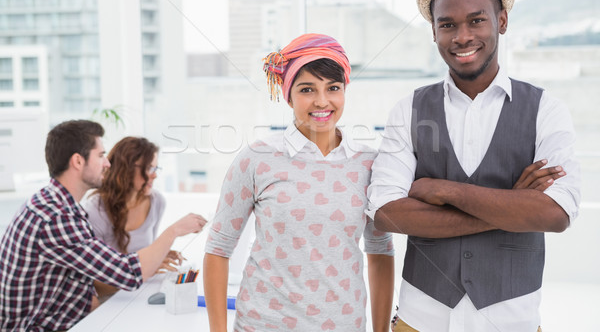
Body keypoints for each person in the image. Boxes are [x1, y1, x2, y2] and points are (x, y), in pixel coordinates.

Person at [367, 0, 581, 332]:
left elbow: (555, 213)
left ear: (501, 21)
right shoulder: (408, 109)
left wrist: (440, 189)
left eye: (476, 20)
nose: (462, 36)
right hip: (421, 317)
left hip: (511, 319)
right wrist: (512, 206)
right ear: (433, 31)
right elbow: (386, 212)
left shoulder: (546, 108)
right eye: (447, 24)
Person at [203, 33, 395, 332]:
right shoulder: (256, 158)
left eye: (333, 88)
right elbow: (218, 249)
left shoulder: (369, 163)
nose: (322, 101)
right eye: (307, 89)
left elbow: (380, 251)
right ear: (288, 95)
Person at [0, 120, 207, 332]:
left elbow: (81, 281)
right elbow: (128, 273)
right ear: (78, 162)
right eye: (100, 156)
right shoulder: (57, 217)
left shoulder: (55, 204)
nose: (108, 164)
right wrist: (174, 231)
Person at [81, 136, 184, 300]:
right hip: (107, 302)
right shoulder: (94, 210)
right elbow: (91, 284)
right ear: (126, 169)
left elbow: (142, 253)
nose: (155, 176)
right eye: (149, 169)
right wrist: (145, 268)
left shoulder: (156, 202)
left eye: (156, 169)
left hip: (139, 295)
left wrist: (157, 257)